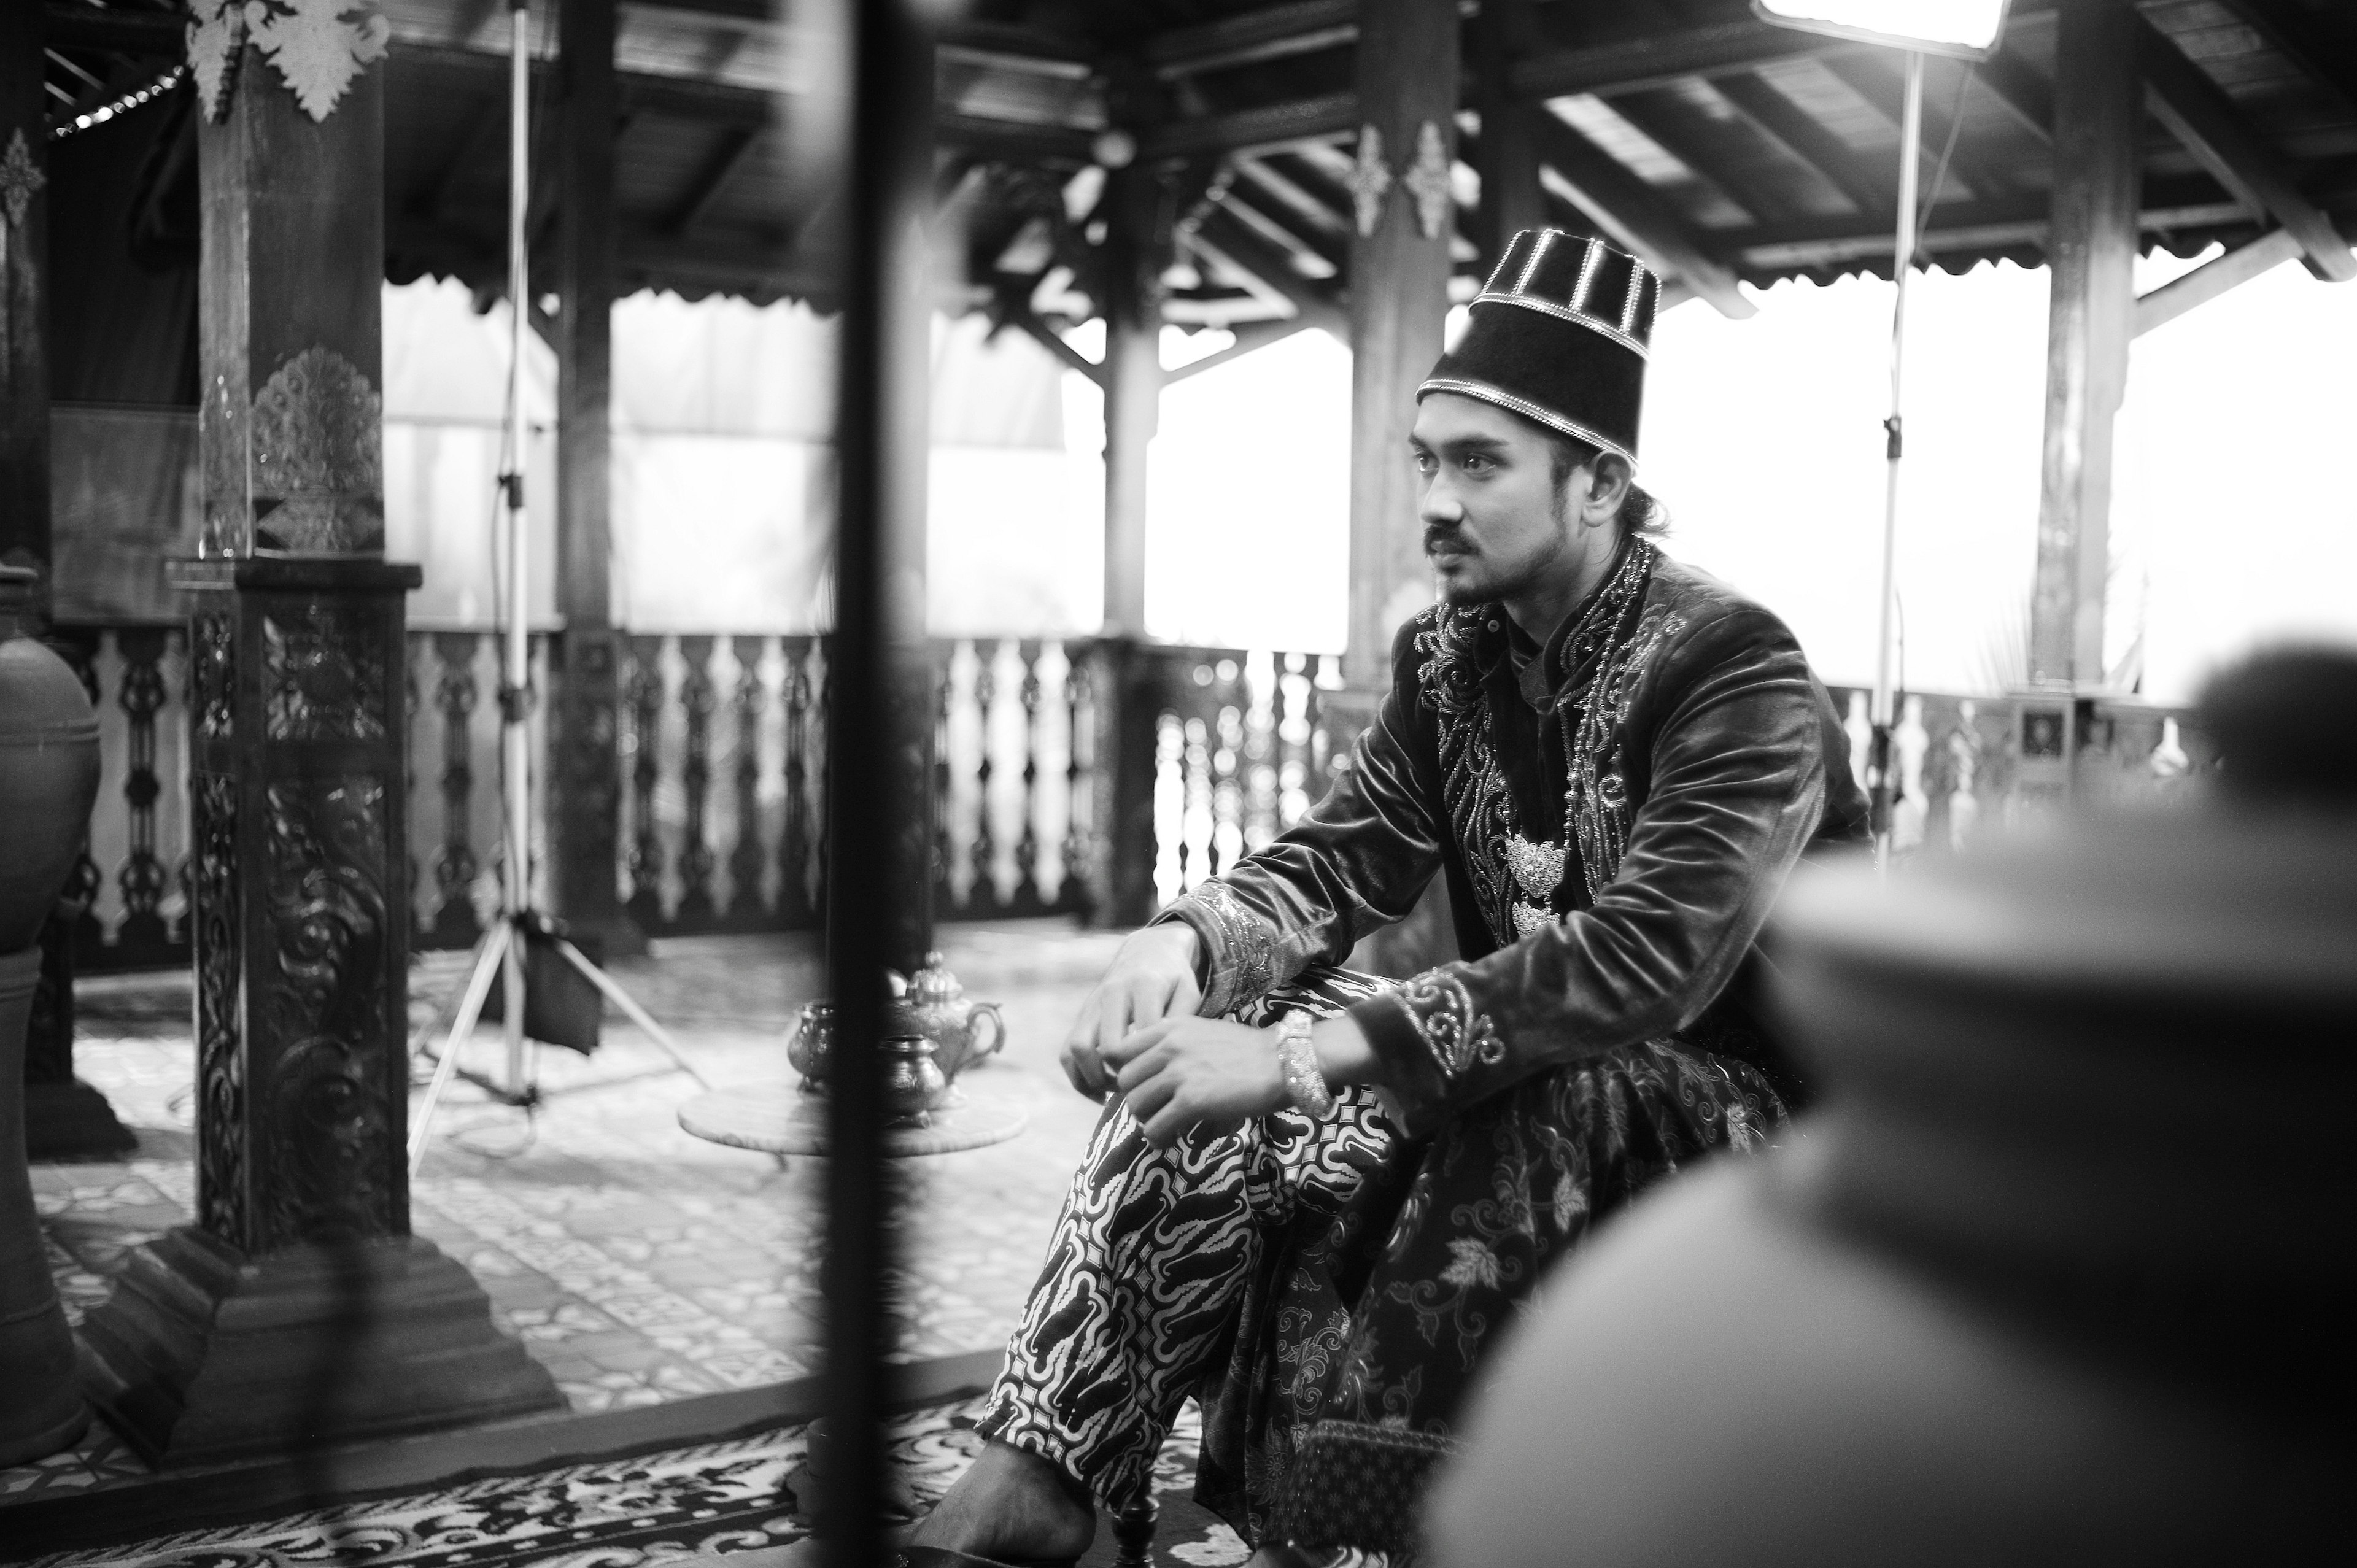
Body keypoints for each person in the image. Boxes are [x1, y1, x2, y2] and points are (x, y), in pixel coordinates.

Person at [905, 230, 1870, 1567]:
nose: (1438, 499)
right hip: (1539, 1084)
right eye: (1428, 459)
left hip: (1756, 1129)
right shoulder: (1452, 659)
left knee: (1493, 1070)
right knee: (1206, 1066)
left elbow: (1652, 963)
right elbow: (1341, 857)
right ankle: (1052, 1478)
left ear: (1598, 483)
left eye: (1482, 464)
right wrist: (1178, 942)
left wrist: (1304, 1053)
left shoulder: (1733, 666)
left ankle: (1379, 1532)